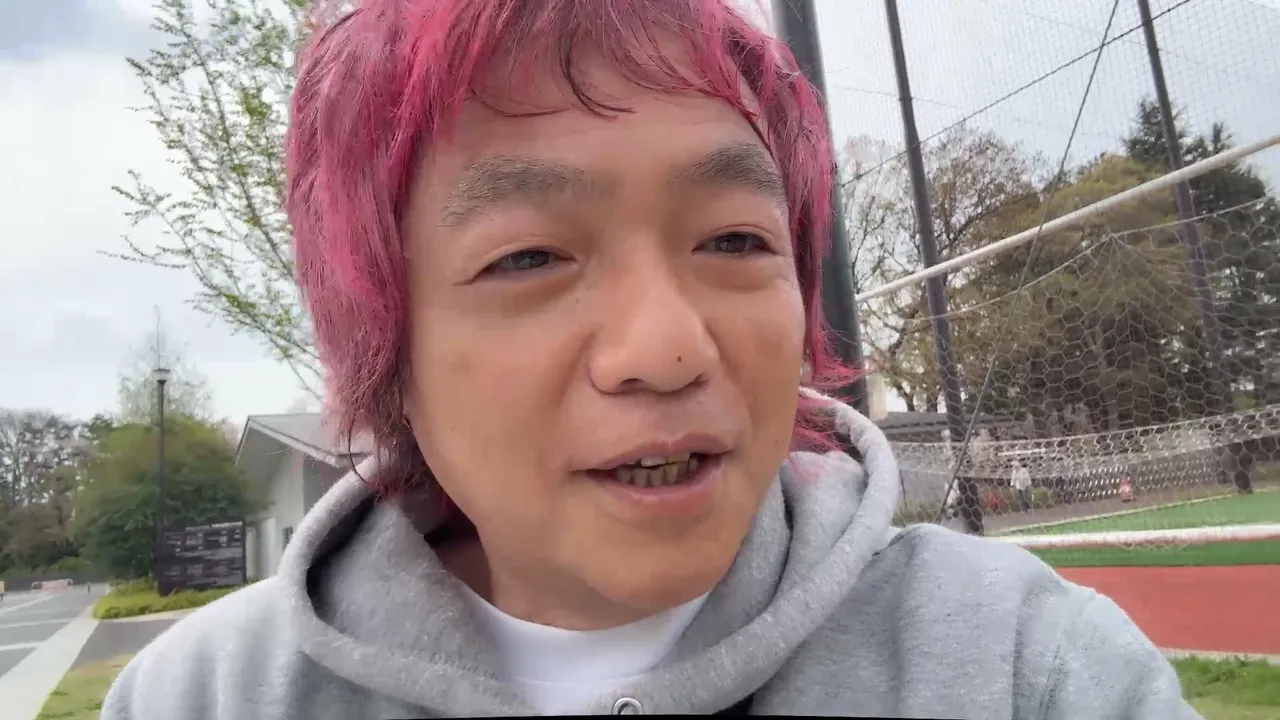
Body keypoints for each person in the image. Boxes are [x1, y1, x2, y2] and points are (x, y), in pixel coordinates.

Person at [101, 1, 1201, 717]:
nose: (666, 349)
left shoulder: (1028, 669)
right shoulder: (204, 698)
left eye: (733, 241)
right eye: (528, 256)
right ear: (385, 345)